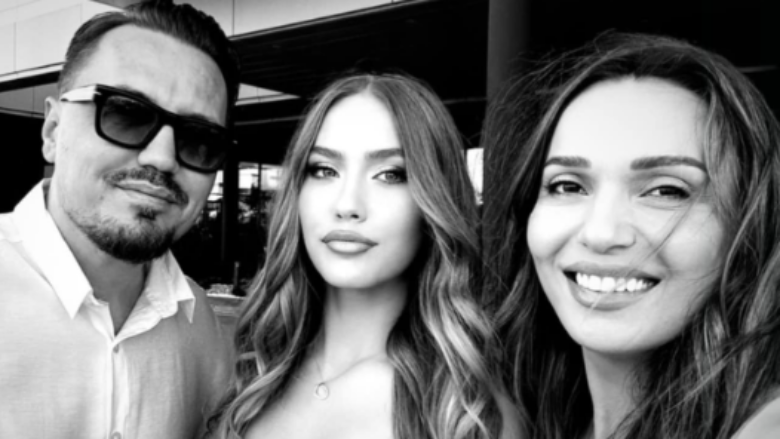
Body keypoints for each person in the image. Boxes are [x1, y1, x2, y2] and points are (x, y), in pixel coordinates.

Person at [482, 33, 780, 439]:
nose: (601, 233)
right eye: (568, 186)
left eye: (666, 191)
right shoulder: (523, 413)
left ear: (749, 224)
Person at [208, 73, 522, 439]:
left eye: (390, 174)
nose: (347, 204)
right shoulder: (254, 368)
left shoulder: (466, 412)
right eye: (324, 170)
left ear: (434, 200)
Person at [0, 1, 240, 438]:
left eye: (200, 139)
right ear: (53, 130)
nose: (162, 158)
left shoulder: (201, 327)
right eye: (126, 114)